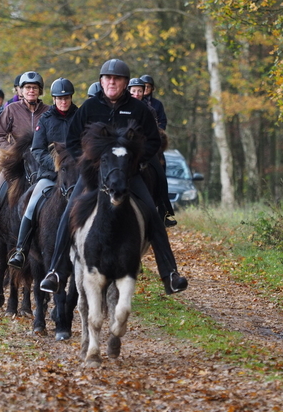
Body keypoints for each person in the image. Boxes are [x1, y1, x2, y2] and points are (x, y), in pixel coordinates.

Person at [39, 59, 188, 295]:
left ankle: (170, 274)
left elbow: (153, 141)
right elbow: (72, 142)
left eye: (117, 79)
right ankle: (56, 272)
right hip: (94, 175)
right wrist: (89, 163)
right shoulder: (89, 108)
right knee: (68, 213)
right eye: (107, 78)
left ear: (125, 83)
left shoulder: (140, 110)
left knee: (152, 213)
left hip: (128, 175)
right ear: (101, 81)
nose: (111, 82)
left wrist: (135, 162)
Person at [0, 71, 49, 255]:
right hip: (15, 162)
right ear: (21, 90)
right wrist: (14, 151)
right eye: (27, 87)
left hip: (40, 163)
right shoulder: (11, 110)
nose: (31, 91)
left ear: (40, 91)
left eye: (34, 88)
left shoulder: (47, 112)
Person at [8, 77, 78, 268]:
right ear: (54, 99)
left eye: (66, 98)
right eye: (59, 98)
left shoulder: (80, 117)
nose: (63, 101)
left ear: (71, 98)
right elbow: (37, 149)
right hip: (50, 175)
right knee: (31, 204)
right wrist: (55, 165)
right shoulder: (45, 119)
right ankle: (21, 250)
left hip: (75, 175)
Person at [128, 77, 177, 227]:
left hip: (144, 150)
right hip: (126, 150)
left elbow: (154, 132)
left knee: (160, 175)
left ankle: (163, 212)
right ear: (128, 91)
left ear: (144, 92)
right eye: (134, 91)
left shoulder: (150, 109)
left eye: (139, 91)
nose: (136, 94)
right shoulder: (121, 106)